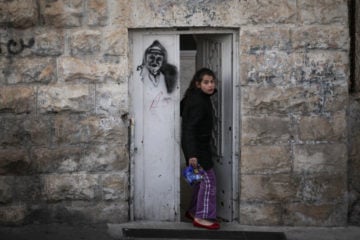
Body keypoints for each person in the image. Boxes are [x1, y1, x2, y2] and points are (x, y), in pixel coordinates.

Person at [180, 68, 220, 230]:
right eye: (206, 82)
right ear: (198, 84)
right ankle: (201, 216)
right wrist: (192, 155)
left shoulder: (196, 97)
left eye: (212, 82)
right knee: (209, 182)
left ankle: (192, 211)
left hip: (199, 147)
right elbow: (189, 129)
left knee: (200, 182)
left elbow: (182, 108)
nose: (210, 85)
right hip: (197, 149)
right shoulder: (198, 101)